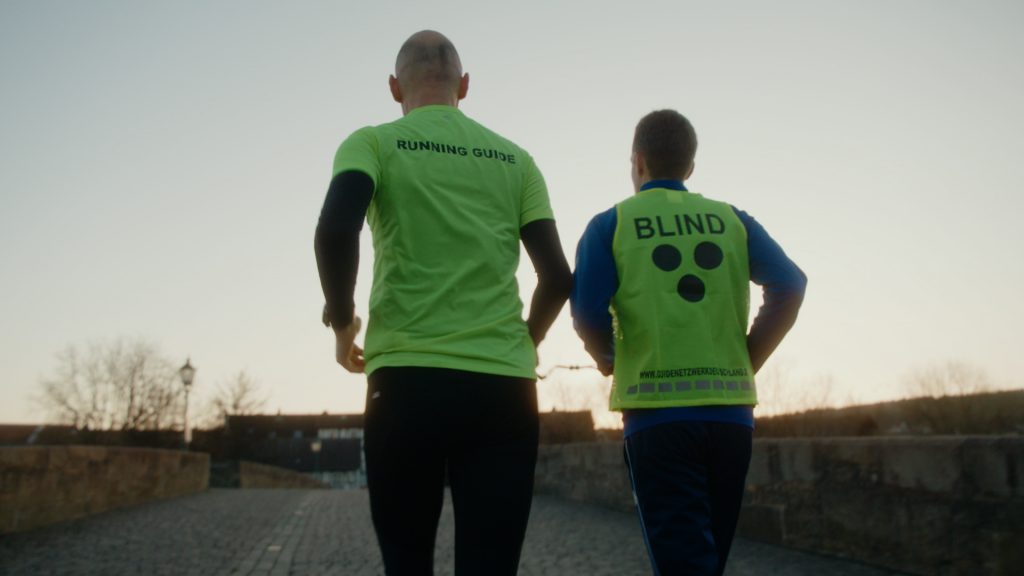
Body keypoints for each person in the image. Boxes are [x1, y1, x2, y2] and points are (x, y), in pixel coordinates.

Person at [314, 30, 572, 576]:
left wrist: (342, 324)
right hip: (503, 387)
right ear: (466, 85)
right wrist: (526, 339)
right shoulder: (516, 160)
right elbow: (557, 277)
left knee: (407, 561)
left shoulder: (372, 143)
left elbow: (336, 231)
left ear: (392, 87)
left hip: (406, 381)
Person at [571, 109, 807, 576]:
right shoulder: (732, 220)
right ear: (690, 167)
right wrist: (746, 357)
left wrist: (606, 358)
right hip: (731, 418)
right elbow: (790, 284)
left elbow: (585, 312)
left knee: (682, 563)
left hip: (658, 420)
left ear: (637, 162)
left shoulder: (610, 224)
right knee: (707, 560)